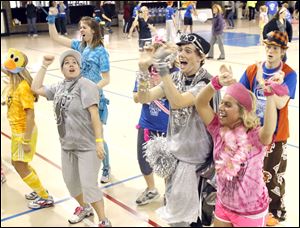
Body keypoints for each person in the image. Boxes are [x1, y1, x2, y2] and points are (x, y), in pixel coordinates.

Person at [135, 33, 220, 226]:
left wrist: (162, 66)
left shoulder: (206, 83)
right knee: (175, 217)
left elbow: (178, 102)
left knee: (192, 219)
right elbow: (144, 97)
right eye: (180, 50)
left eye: (188, 51)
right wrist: (143, 70)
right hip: (176, 158)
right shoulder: (176, 77)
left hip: (198, 164)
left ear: (201, 57)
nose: (182, 54)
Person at [195, 63, 285, 226]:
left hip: (250, 211)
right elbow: (200, 103)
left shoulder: (255, 137)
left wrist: (270, 94)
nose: (221, 107)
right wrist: (216, 83)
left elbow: (269, 128)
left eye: (228, 105)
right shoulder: (217, 128)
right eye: (222, 103)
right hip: (224, 204)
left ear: (242, 111)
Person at [31, 50, 112, 227]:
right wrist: (44, 64)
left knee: (89, 185)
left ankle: (104, 220)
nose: (71, 65)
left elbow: (94, 116)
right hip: (67, 146)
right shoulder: (59, 87)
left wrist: (99, 142)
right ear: (62, 69)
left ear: (79, 66)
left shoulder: (87, 85)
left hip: (87, 146)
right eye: (66, 63)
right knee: (72, 185)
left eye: (74, 62)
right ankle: (85, 208)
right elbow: (36, 88)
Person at [239, 31, 297, 226]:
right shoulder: (252, 70)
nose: (270, 51)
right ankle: (255, 206)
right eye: (268, 47)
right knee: (250, 172)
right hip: (252, 133)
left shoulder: (288, 73)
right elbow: (240, 94)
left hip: (276, 135)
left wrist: (268, 86)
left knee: (271, 176)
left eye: (275, 48)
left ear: (282, 52)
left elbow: (281, 103)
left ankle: (275, 211)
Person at [46, 15, 112, 184]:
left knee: (97, 135)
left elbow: (106, 79)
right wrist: (52, 18)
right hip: (76, 99)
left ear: (93, 30)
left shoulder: (100, 51)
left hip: (94, 99)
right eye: (80, 27)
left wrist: (91, 90)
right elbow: (55, 37)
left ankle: (106, 167)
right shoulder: (78, 46)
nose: (81, 30)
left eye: (84, 27)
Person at [1, 48, 54, 209]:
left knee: (19, 165)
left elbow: (30, 115)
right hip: (18, 130)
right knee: (21, 164)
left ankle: (45, 197)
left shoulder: (23, 87)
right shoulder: (12, 83)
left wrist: (25, 140)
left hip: (24, 132)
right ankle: (39, 190)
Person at [133, 38, 179, 206]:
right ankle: (151, 188)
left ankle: (170, 192)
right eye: (155, 52)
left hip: (169, 127)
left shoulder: (175, 74)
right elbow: (136, 97)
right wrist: (148, 87)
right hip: (147, 125)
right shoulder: (144, 72)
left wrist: (160, 88)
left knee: (169, 164)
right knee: (143, 160)